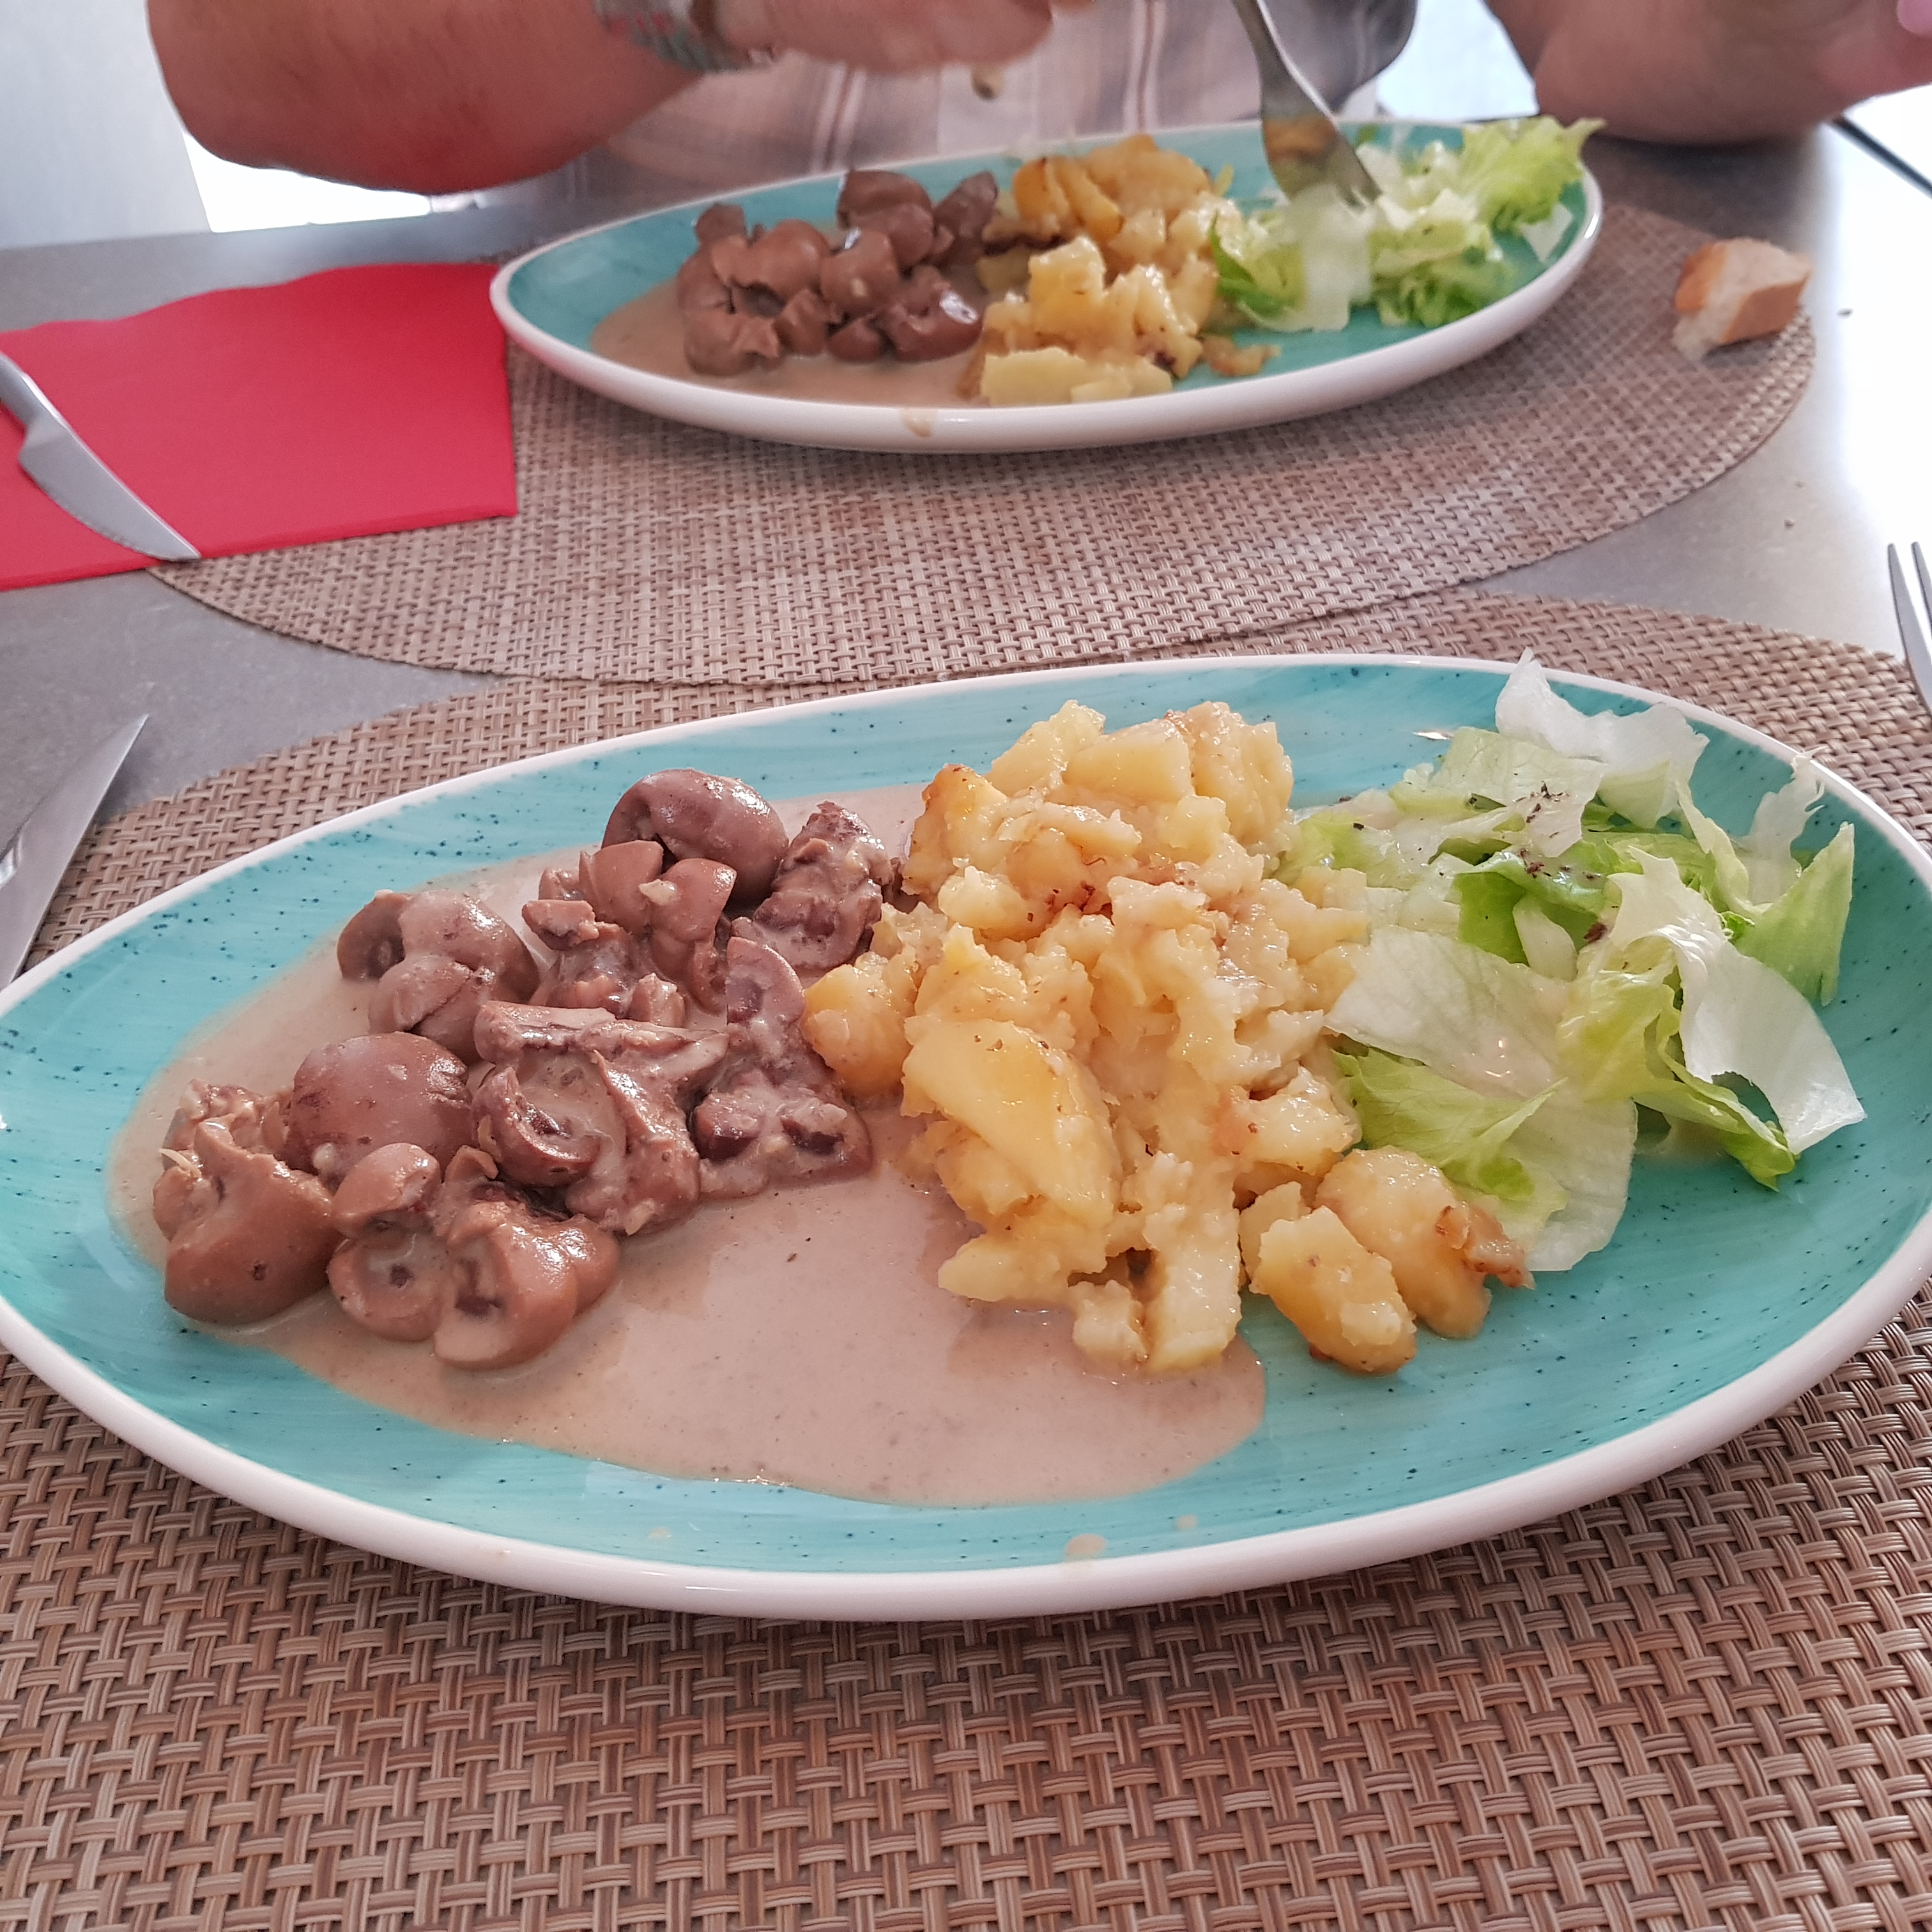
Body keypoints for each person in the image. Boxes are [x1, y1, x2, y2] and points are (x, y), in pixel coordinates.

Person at [149, 0, 1932, 208]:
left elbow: (1610, 41)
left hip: (1335, 385)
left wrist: (1827, 29)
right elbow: (242, 67)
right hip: (643, 407)